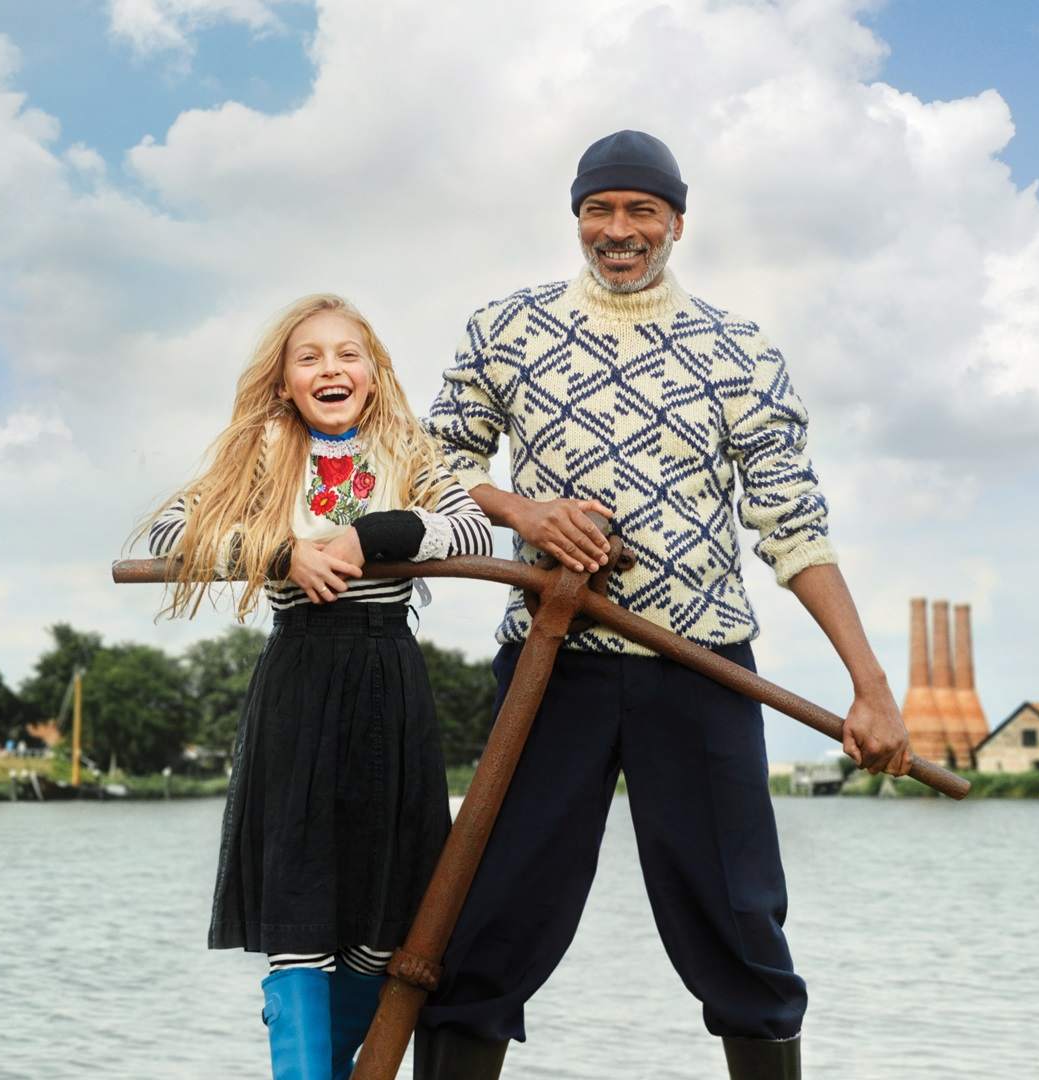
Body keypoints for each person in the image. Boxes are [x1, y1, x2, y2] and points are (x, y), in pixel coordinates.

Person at [415, 131, 911, 1079]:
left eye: (642, 210)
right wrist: (527, 511)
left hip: (701, 669)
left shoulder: (740, 351)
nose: (619, 229)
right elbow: (432, 459)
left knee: (739, 921)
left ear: (676, 222)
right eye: (600, 210)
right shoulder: (505, 329)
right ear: (577, 220)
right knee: (489, 916)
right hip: (547, 670)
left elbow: (793, 526)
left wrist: (870, 685)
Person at [142, 294, 493, 1079]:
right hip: (298, 682)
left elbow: (471, 530)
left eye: (348, 354)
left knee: (380, 924)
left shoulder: (411, 451)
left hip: (388, 685)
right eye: (310, 357)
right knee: (299, 914)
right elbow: (173, 533)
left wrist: (372, 534)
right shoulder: (260, 455)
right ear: (285, 383)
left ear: (373, 373)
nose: (330, 368)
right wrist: (280, 553)